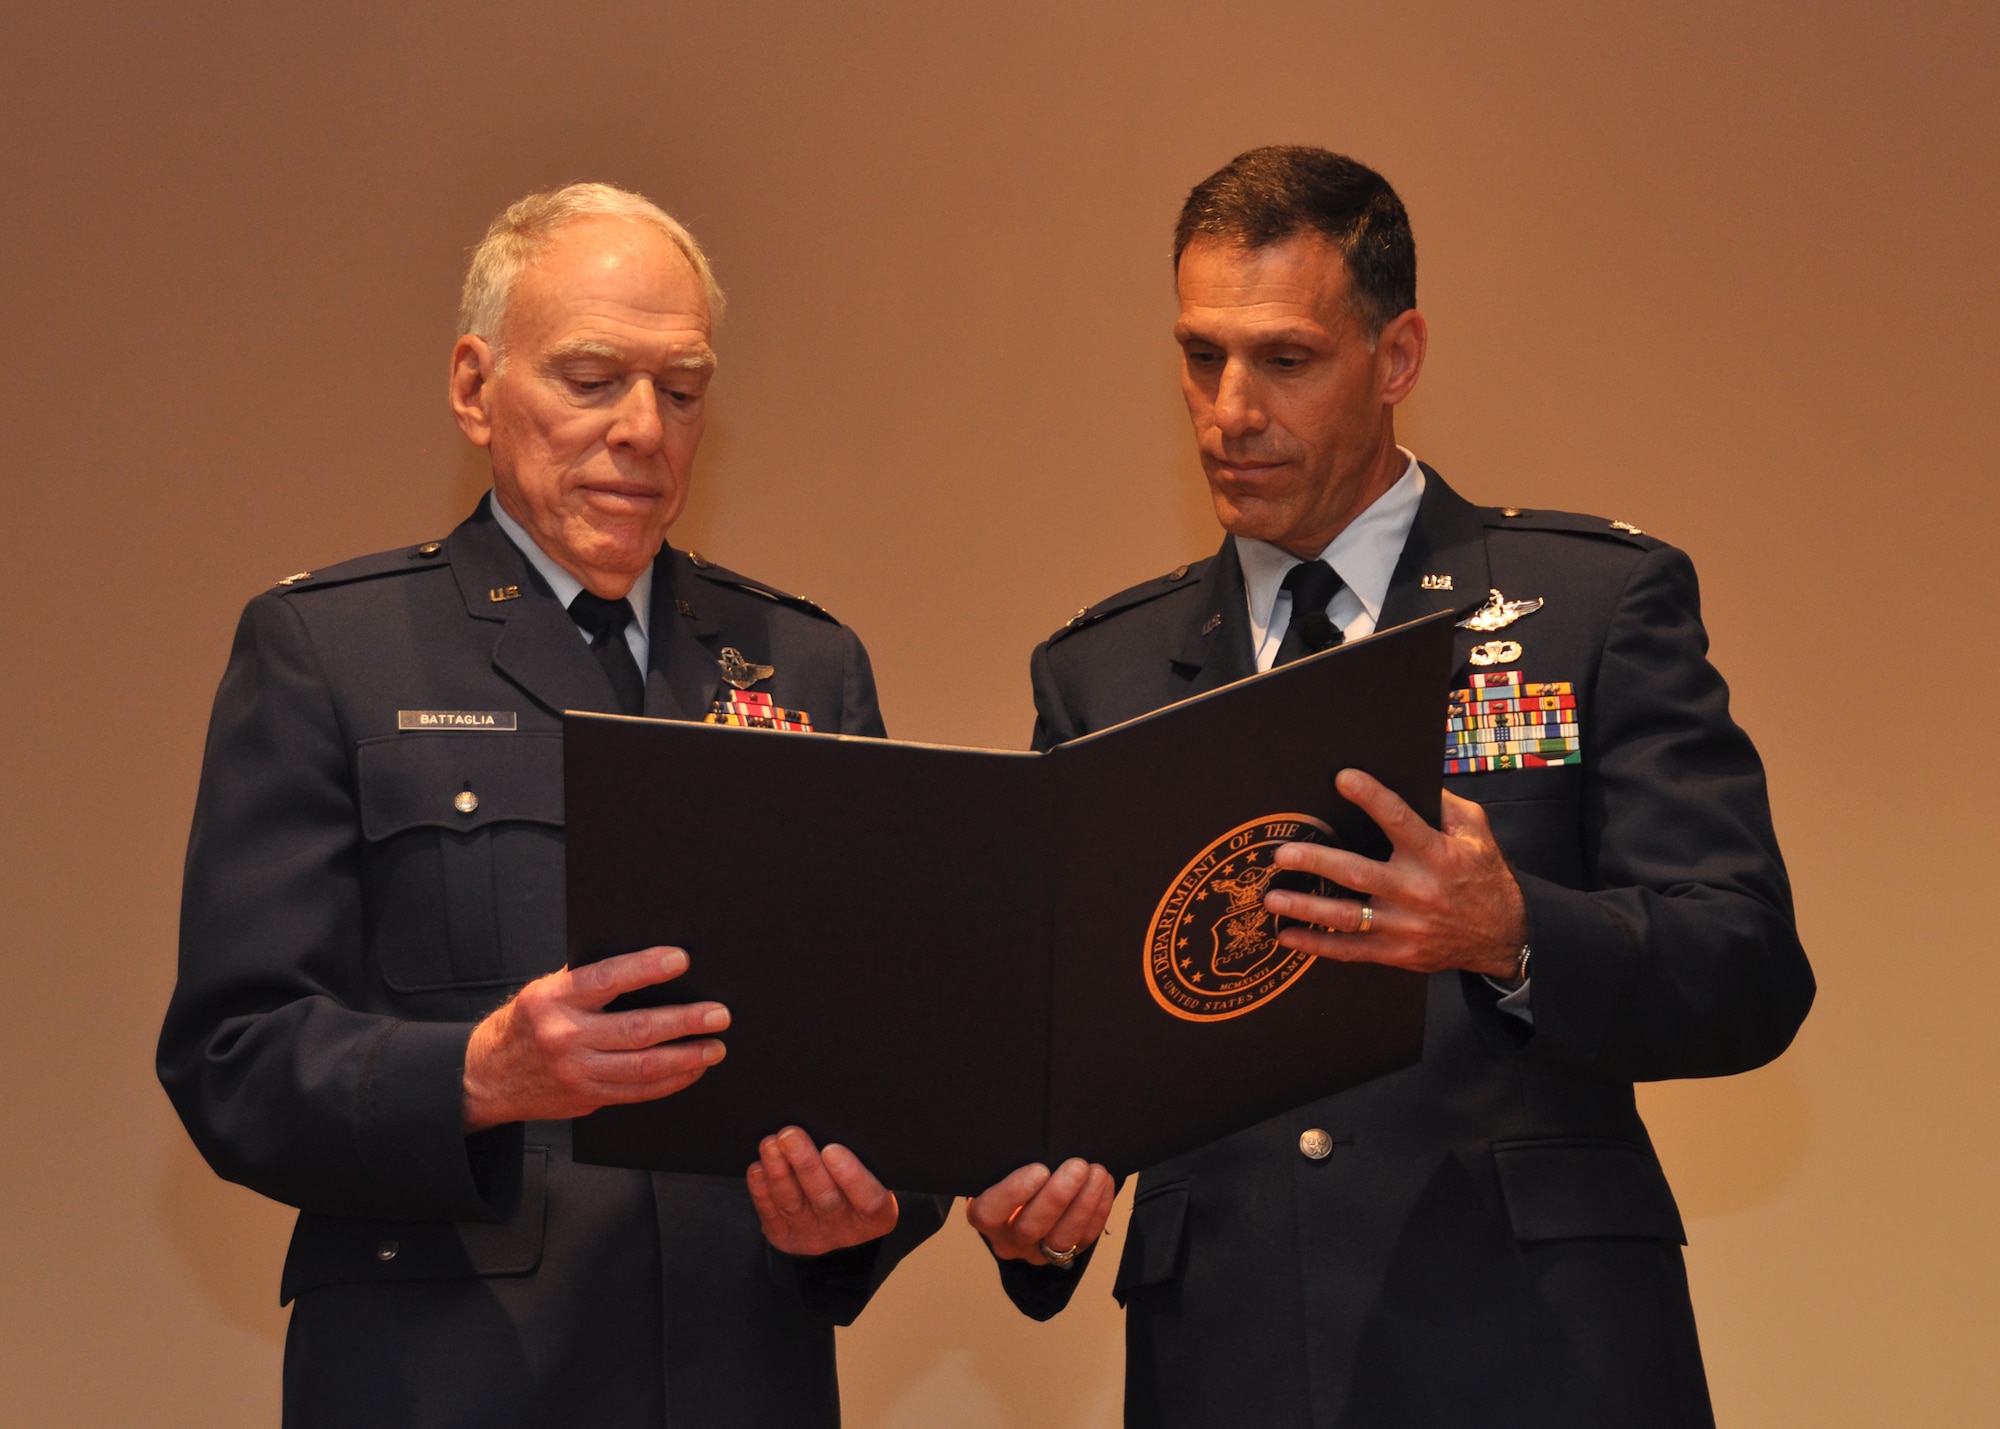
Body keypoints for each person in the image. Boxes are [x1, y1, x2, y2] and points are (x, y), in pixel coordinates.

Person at [967, 147, 1814, 1428]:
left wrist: (1516, 932)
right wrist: (1029, 1214)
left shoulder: (1589, 604)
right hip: (1227, 1361)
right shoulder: (1103, 670)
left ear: (1396, 356)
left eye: (1284, 360)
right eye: (1200, 358)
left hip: (1535, 1356)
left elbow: (1747, 964)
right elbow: (1058, 1060)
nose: (1228, 409)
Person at [158, 183, 943, 1427]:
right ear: (475, 386)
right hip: (451, 1379)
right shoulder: (333, 650)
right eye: (591, 378)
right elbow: (232, 1059)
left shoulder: (803, 666)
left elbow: (906, 1043)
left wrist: (865, 1211)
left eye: (680, 390)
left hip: (741, 1375)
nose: (643, 429)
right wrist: (477, 1072)